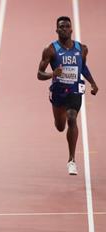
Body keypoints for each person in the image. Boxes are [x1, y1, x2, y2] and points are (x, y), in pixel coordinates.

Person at [37, 16, 98, 175]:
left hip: (75, 89)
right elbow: (39, 74)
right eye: (61, 27)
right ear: (57, 30)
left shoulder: (82, 48)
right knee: (60, 126)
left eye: (67, 26)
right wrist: (52, 74)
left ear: (71, 29)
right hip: (58, 91)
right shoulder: (50, 49)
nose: (64, 29)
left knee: (72, 117)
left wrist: (93, 82)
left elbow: (83, 68)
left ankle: (71, 160)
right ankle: (60, 116)